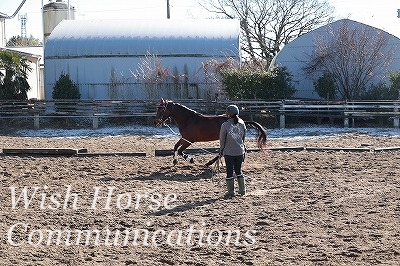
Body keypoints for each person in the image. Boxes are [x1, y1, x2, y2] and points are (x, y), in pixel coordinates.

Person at [219, 104, 247, 197]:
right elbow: (243, 138)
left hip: (229, 152)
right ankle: (242, 190)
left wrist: (221, 150)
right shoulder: (242, 123)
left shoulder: (225, 125)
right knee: (239, 171)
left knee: (229, 172)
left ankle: (231, 191)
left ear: (228, 114)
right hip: (240, 151)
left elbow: (222, 140)